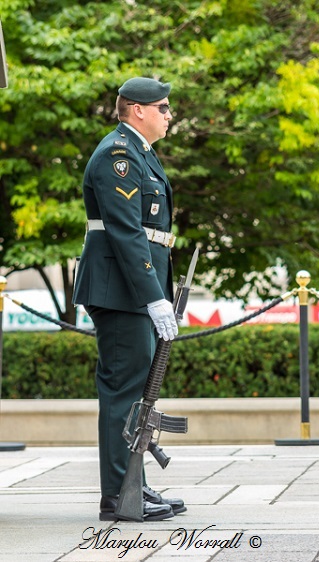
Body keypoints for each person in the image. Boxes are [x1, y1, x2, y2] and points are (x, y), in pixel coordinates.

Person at [72, 77, 186, 521]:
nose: (168, 114)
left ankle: (133, 485)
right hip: (120, 291)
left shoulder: (140, 153)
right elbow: (126, 232)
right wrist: (153, 297)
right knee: (124, 390)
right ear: (137, 109)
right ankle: (119, 496)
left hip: (129, 289)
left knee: (137, 389)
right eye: (163, 107)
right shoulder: (118, 154)